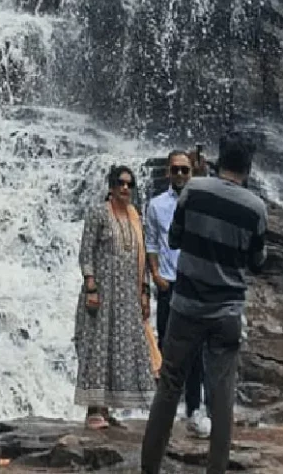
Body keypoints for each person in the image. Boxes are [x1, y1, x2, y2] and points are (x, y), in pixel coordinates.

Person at [141, 131, 267, 474]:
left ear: (218, 159)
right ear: (249, 166)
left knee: (169, 385)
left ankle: (149, 468)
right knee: (222, 396)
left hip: (186, 307)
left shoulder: (193, 191)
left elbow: (175, 237)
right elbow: (257, 262)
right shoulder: (256, 209)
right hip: (226, 312)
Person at [74, 165, 157, 430]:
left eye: (129, 184)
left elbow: (141, 259)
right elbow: (86, 252)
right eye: (120, 183)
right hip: (102, 294)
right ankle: (92, 412)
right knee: (97, 348)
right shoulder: (99, 213)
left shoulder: (134, 217)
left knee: (117, 350)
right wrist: (91, 286)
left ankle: (107, 410)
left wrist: (144, 293)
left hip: (126, 298)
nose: (125, 188)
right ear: (110, 187)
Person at [145, 150, 211, 439]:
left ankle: (195, 409)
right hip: (168, 283)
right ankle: (165, 411)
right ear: (167, 173)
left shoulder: (201, 201)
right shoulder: (156, 205)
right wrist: (156, 275)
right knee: (167, 351)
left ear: (192, 172)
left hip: (194, 283)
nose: (181, 175)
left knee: (196, 351)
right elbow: (151, 242)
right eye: (176, 170)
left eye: (186, 170)